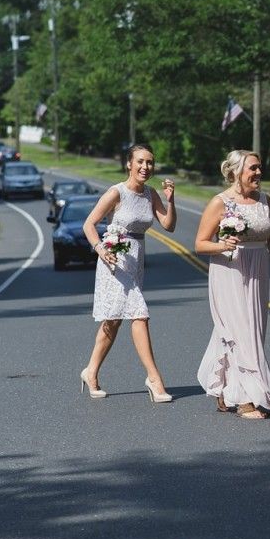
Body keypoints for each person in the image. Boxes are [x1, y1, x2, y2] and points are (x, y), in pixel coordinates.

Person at [195, 150, 270, 419]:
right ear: (235, 172)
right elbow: (200, 243)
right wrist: (222, 245)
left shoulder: (265, 201)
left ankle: (223, 388)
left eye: (260, 168)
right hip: (229, 269)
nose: (259, 173)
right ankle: (245, 398)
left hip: (258, 270)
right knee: (239, 331)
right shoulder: (220, 202)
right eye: (253, 169)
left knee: (254, 331)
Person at [80, 143, 177, 402]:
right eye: (141, 162)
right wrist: (100, 248)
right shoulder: (117, 192)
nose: (146, 167)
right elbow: (89, 224)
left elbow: (168, 225)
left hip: (136, 261)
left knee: (113, 321)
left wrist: (170, 200)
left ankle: (90, 371)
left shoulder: (150, 193)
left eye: (150, 163)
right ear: (129, 164)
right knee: (139, 314)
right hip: (115, 259)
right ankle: (154, 379)